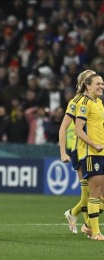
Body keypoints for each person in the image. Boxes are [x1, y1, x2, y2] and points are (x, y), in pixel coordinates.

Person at [59, 70, 95, 235]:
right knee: (88, 190)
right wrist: (62, 152)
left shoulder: (96, 101)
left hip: (93, 149)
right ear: (85, 83)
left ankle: (74, 214)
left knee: (92, 191)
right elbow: (64, 127)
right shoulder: (76, 101)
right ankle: (89, 226)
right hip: (80, 150)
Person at [74, 72, 104, 240]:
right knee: (95, 192)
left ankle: (87, 226)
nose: (101, 86)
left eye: (103, 84)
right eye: (98, 84)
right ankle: (96, 232)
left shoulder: (99, 103)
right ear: (88, 86)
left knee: (102, 195)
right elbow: (78, 130)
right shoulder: (84, 103)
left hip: (102, 151)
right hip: (92, 153)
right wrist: (95, 144)